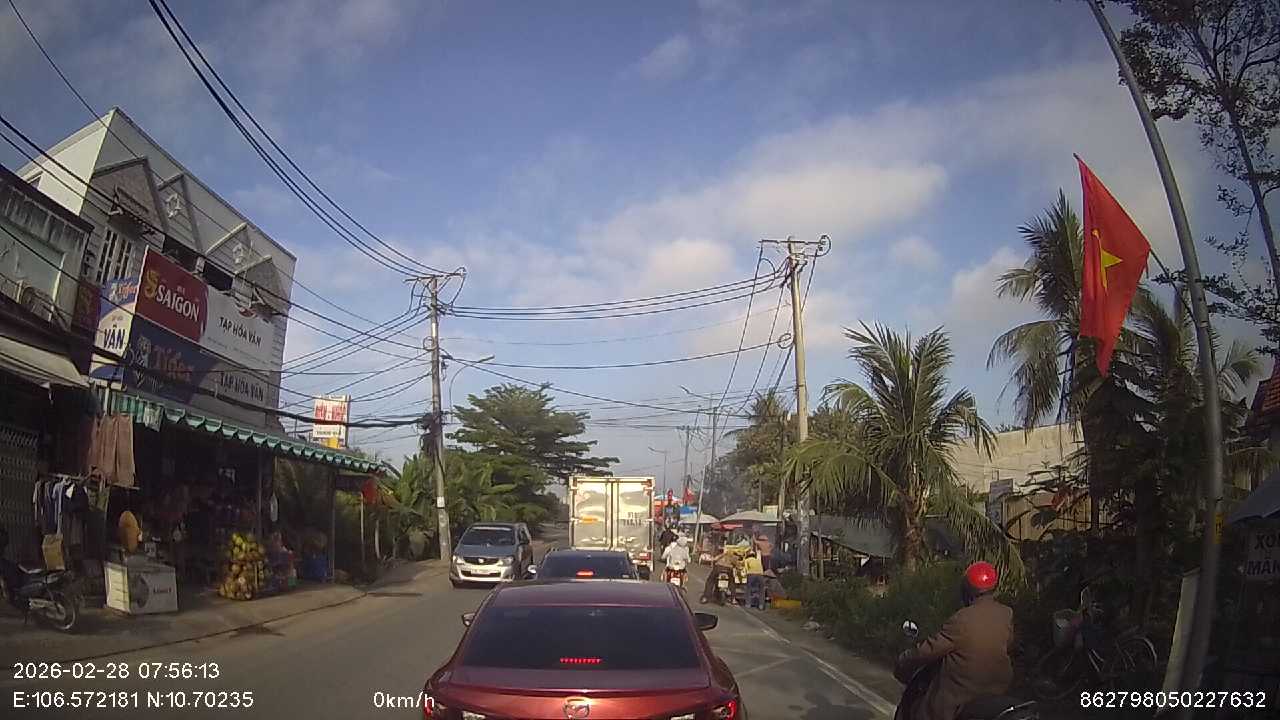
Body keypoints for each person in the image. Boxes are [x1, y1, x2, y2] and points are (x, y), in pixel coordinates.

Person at [893, 561, 1014, 720]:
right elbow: (1009, 643)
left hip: (962, 695)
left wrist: (905, 658)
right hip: (997, 690)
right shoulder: (1006, 614)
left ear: (966, 591)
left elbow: (929, 650)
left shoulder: (961, 619)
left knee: (923, 711)